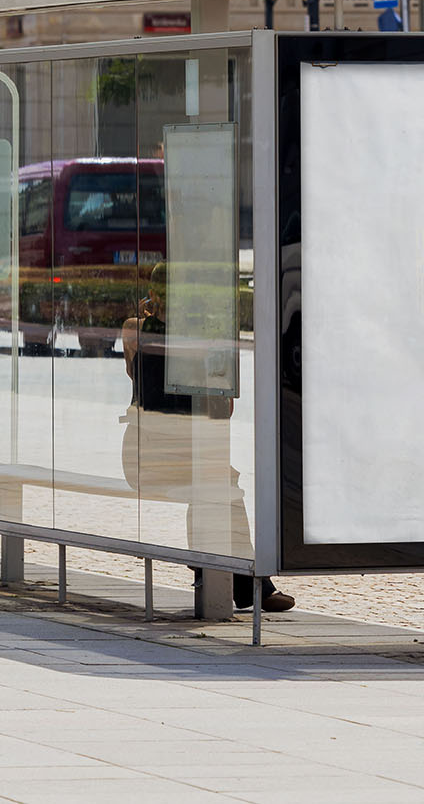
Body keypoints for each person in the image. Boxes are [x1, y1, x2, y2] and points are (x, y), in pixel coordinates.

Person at [120, 263, 295, 614]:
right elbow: (223, 409)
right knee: (218, 483)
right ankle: (238, 582)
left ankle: (215, 574)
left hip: (145, 451)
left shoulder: (135, 331)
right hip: (158, 455)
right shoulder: (186, 342)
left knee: (216, 482)